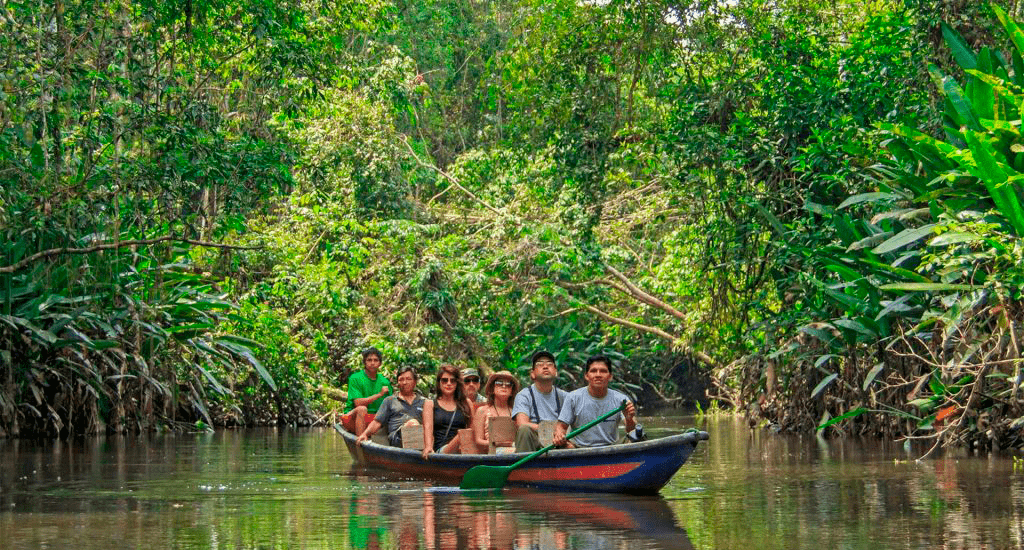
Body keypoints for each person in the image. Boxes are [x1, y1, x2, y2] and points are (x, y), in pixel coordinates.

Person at [553, 355, 636, 448]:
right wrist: (559, 435)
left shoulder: (621, 399)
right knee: (564, 445)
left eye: (603, 371)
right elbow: (561, 427)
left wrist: (629, 419)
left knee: (636, 437)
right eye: (593, 371)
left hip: (612, 448)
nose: (598, 375)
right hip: (579, 449)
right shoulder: (573, 397)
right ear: (586, 376)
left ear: (610, 376)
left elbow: (632, 431)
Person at [511, 350, 569, 452]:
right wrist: (549, 431)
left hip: (560, 440)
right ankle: (526, 468)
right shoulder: (524, 395)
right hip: (535, 442)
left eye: (550, 364)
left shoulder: (565, 396)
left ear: (555, 372)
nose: (545, 367)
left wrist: (561, 433)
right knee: (524, 430)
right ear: (532, 374)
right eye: (540, 364)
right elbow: (522, 423)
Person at [356, 366, 424, 447]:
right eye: (401, 379)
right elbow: (377, 422)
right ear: (398, 382)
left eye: (408, 379)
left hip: (420, 438)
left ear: (415, 382)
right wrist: (365, 434)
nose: (404, 382)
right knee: (412, 424)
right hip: (397, 439)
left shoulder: (423, 401)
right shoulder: (390, 400)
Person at [422, 364, 474, 459]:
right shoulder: (430, 403)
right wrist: (428, 447)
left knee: (467, 433)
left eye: (453, 381)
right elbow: (428, 428)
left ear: (457, 383)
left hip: (463, 451)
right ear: (439, 382)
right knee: (461, 435)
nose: (448, 383)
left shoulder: (466, 403)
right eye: (444, 380)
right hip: (442, 451)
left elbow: (472, 429)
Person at [341, 347, 390, 435]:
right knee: (362, 409)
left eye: (375, 360)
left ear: (380, 363)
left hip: (375, 420)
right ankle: (360, 441)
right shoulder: (355, 378)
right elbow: (358, 403)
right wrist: (379, 394)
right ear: (364, 362)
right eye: (369, 360)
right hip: (353, 418)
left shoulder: (385, 382)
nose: (372, 363)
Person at [472, 370, 520, 452]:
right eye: (499, 383)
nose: (504, 386)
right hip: (493, 453)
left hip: (517, 451)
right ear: (492, 388)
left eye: (509, 385)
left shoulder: (517, 412)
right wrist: (497, 443)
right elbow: (478, 441)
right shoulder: (482, 411)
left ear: (512, 391)